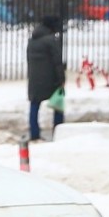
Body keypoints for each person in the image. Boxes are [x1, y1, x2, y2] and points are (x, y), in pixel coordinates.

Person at [26, 14, 66, 142]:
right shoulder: (51, 41)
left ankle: (34, 133)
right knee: (58, 104)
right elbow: (57, 63)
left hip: (34, 79)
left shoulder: (32, 41)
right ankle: (58, 130)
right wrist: (61, 80)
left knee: (34, 105)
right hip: (51, 80)